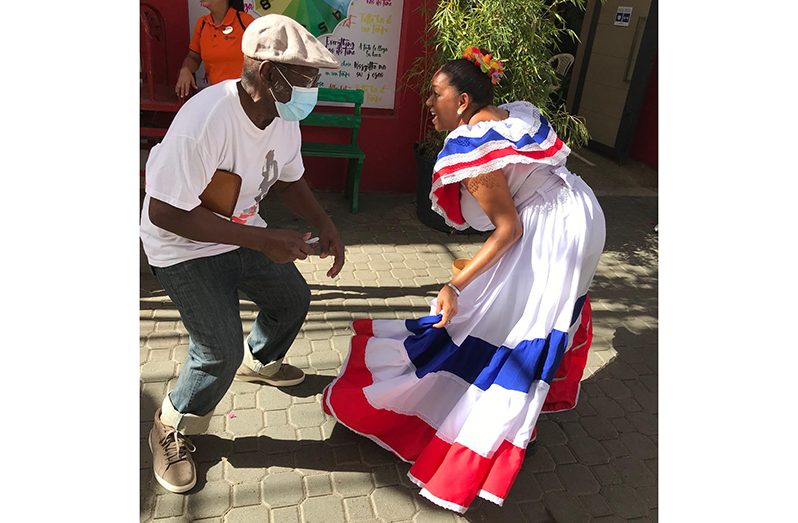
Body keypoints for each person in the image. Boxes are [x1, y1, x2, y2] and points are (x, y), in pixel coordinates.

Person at [322, 47, 606, 513]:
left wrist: (454, 285)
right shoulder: (516, 115)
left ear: (464, 101)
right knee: (540, 317)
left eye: (436, 94)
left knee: (509, 326)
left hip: (552, 234)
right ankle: (521, 411)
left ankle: (501, 422)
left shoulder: (476, 147)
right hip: (582, 213)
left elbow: (509, 229)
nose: (429, 104)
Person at [141, 14, 345, 494]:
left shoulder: (279, 117)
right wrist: (264, 239)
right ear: (271, 75)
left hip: (238, 232)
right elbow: (166, 212)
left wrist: (324, 223)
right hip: (180, 247)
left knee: (292, 299)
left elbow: (290, 179)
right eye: (307, 77)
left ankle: (262, 361)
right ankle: (171, 423)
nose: (314, 88)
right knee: (217, 352)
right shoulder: (206, 119)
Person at [175, 0, 255, 99]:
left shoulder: (245, 21)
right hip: (217, 97)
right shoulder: (202, 23)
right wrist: (186, 69)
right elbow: (193, 57)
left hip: (247, 97)